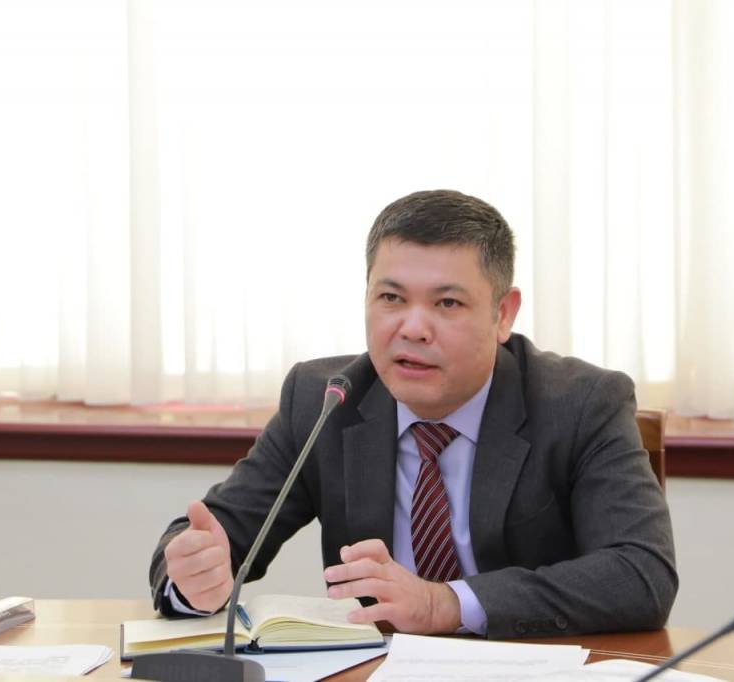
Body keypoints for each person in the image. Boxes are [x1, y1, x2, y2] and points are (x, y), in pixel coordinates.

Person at [148, 189, 677, 639]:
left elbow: (641, 573)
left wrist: (445, 604)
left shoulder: (581, 404)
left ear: (503, 314)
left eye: (447, 304)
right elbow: (210, 535)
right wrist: (194, 577)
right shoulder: (324, 400)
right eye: (391, 298)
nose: (413, 328)